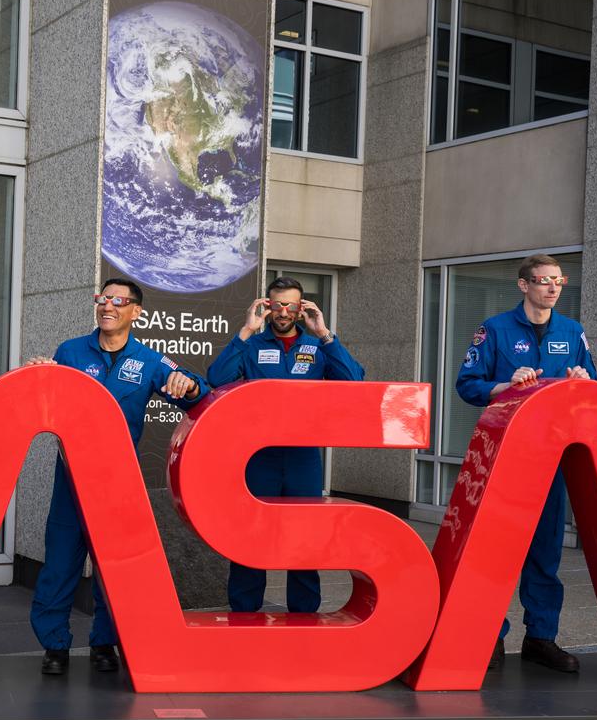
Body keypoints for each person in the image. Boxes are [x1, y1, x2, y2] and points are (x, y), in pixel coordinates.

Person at [24, 278, 208, 675]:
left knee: (113, 567)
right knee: (60, 563)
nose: (108, 305)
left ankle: (104, 642)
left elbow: (198, 391)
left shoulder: (150, 360)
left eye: (119, 301)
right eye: (103, 298)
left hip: (116, 481)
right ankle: (54, 645)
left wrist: (188, 385)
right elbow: (48, 399)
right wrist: (39, 377)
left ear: (136, 312)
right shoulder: (71, 351)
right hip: (71, 477)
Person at [456, 254, 597, 673]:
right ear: (523, 285)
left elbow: (591, 380)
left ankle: (541, 638)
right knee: (497, 551)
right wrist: (505, 384)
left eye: (558, 281)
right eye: (543, 281)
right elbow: (467, 384)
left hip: (552, 457)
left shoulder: (573, 332)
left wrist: (582, 381)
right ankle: (491, 637)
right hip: (503, 458)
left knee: (545, 552)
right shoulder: (495, 330)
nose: (553, 288)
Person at [207, 276, 365, 615]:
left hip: (303, 458)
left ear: (302, 307)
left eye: (291, 305)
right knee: (251, 537)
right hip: (257, 457)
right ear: (267, 305)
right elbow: (216, 379)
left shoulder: (318, 346)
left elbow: (354, 383)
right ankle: (244, 616)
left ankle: (305, 617)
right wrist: (246, 331)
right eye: (277, 304)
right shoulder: (250, 344)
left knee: (304, 538)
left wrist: (324, 334)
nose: (283, 312)